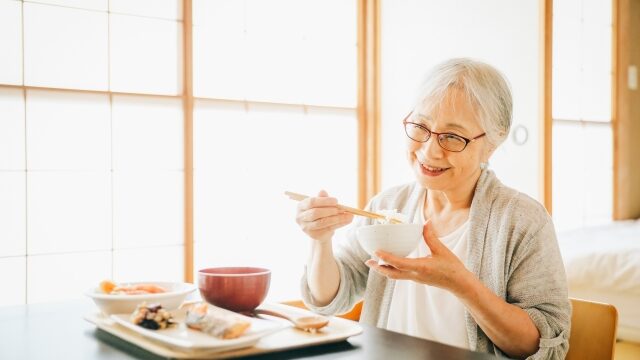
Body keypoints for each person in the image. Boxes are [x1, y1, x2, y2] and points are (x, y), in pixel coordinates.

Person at [295, 58, 570, 359]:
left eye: (452, 137)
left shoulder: (523, 221)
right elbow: (330, 298)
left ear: (493, 142)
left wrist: (460, 283)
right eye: (421, 127)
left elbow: (542, 345)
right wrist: (320, 241)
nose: (429, 150)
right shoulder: (388, 206)